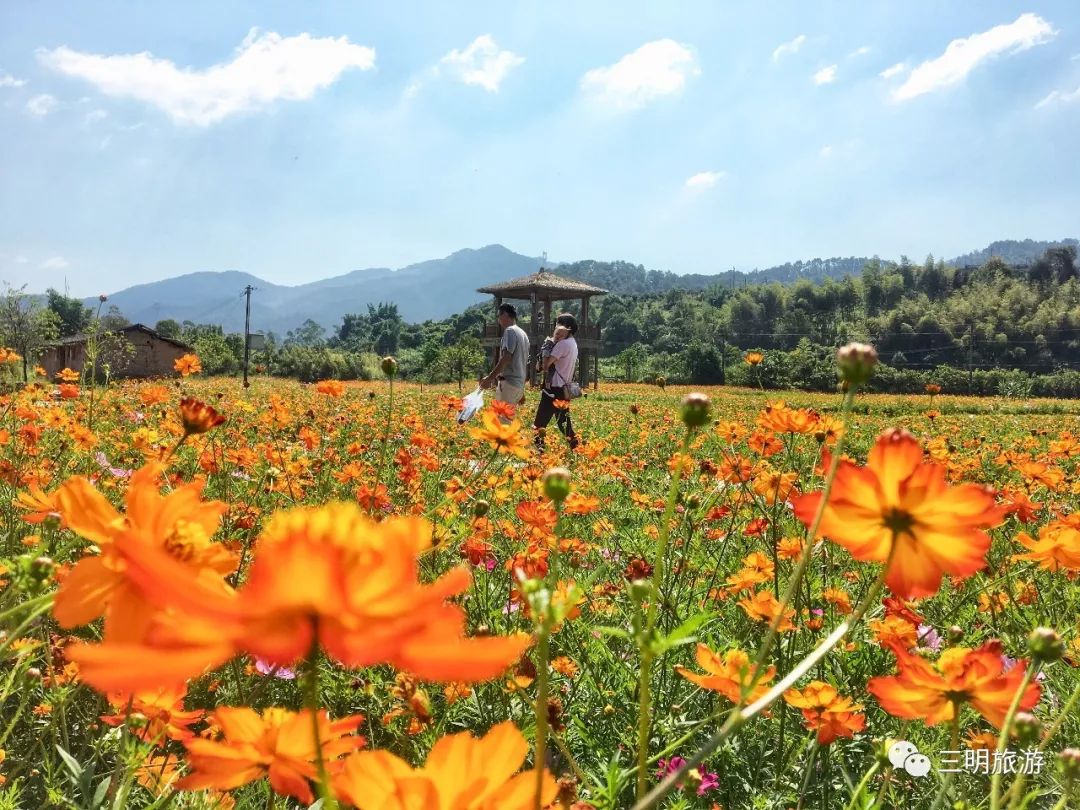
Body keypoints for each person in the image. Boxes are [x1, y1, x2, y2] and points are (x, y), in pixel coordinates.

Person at [533, 313, 579, 450]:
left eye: (559, 324)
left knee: (539, 423)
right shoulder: (572, 343)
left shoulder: (562, 344)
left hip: (553, 389)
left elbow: (545, 366)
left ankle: (538, 453)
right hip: (563, 389)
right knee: (563, 423)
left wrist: (546, 348)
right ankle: (577, 449)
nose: (556, 328)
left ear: (568, 328)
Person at [479, 303, 529, 420]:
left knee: (503, 422)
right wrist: (521, 388)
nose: (498, 319)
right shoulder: (523, 333)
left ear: (505, 314)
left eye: (498, 316)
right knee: (506, 420)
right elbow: (523, 362)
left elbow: (506, 358)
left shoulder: (510, 331)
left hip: (509, 383)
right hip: (517, 384)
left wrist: (489, 378)